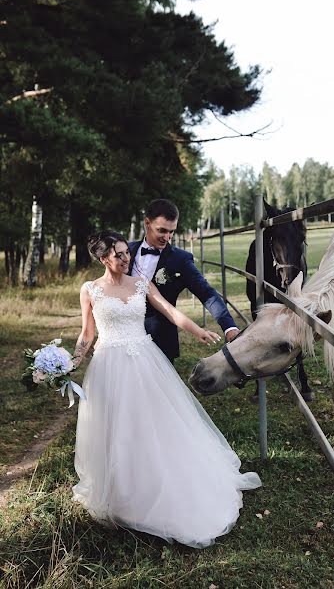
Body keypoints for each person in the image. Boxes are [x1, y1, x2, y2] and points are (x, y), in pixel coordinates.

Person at [72, 230, 261, 548]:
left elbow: (169, 311)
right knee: (116, 428)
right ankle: (121, 492)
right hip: (108, 365)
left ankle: (160, 483)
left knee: (153, 424)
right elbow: (87, 333)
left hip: (144, 361)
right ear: (103, 258)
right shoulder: (90, 289)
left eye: (126, 252)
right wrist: (71, 362)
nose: (126, 258)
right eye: (118, 254)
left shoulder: (140, 283)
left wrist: (198, 329)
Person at [129, 199, 239, 363]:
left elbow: (207, 293)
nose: (167, 237)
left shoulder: (181, 260)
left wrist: (229, 327)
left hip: (160, 339)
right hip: (125, 335)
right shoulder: (127, 250)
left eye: (171, 232)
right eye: (162, 231)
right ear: (147, 223)